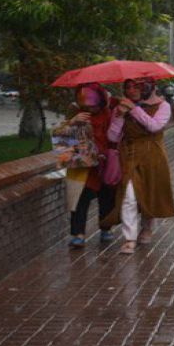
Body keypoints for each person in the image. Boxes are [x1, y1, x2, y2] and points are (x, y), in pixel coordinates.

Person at [102, 77, 174, 254]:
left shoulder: (162, 106)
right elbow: (112, 137)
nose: (132, 90)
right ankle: (129, 238)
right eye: (128, 87)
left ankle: (147, 226)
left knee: (149, 192)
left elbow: (154, 126)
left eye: (137, 87)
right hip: (129, 155)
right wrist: (119, 116)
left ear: (148, 87)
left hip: (153, 154)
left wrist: (134, 110)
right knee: (129, 195)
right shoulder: (122, 106)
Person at [52, 83, 116, 248]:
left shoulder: (109, 113)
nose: (90, 108)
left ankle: (106, 228)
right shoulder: (75, 113)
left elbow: (115, 136)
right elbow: (60, 135)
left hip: (104, 165)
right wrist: (73, 122)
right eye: (86, 104)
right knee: (79, 199)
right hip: (82, 166)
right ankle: (78, 234)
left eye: (93, 105)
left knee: (107, 197)